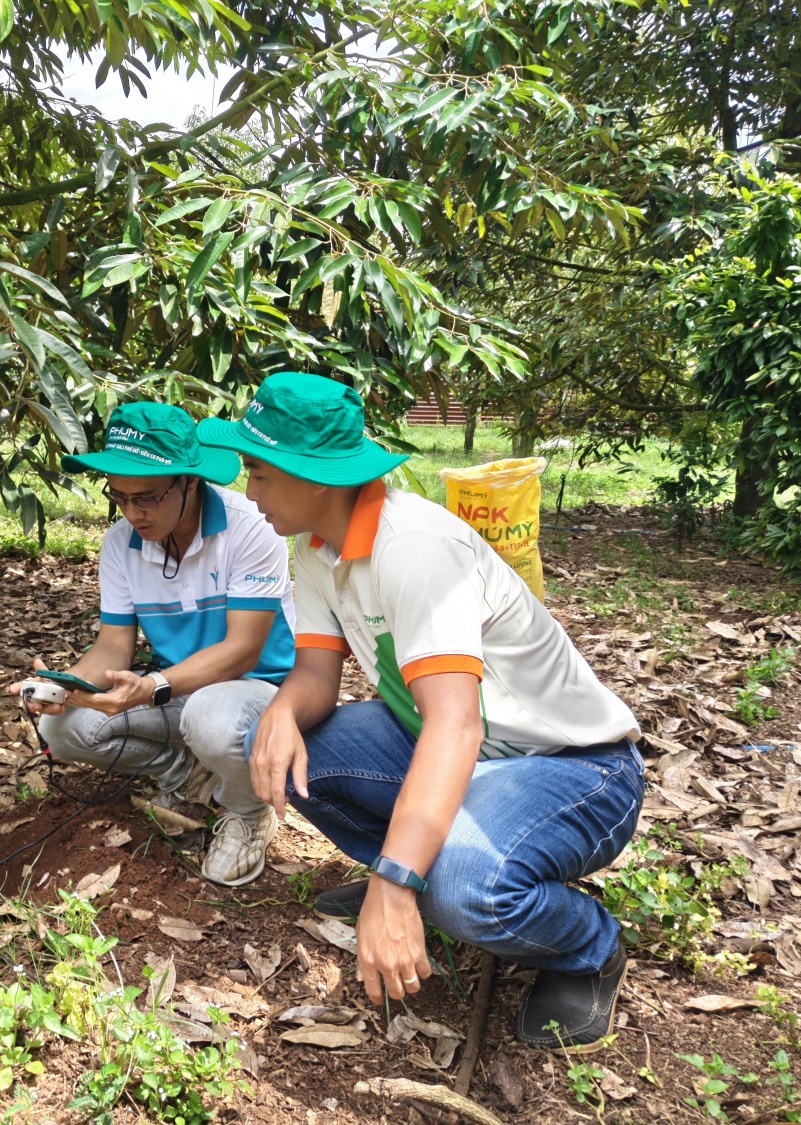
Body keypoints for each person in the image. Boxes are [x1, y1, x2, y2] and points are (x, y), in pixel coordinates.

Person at [197, 373, 644, 1051]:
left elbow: (455, 723)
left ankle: (589, 947)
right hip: (450, 748)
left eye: (258, 472)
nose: (247, 489)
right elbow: (316, 672)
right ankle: (412, 869)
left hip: (571, 767)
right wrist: (283, 711)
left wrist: (397, 881)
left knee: (463, 889)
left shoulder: (414, 547)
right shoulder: (315, 547)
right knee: (278, 747)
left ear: (314, 479)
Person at [8, 402, 297, 887]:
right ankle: (186, 773)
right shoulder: (121, 544)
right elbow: (113, 647)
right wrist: (66, 685)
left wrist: (152, 686)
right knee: (63, 729)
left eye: (146, 498)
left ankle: (247, 812)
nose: (132, 513)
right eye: (119, 497)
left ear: (190, 482)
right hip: (175, 690)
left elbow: (244, 650)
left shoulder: (251, 527)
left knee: (210, 716)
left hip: (258, 692)